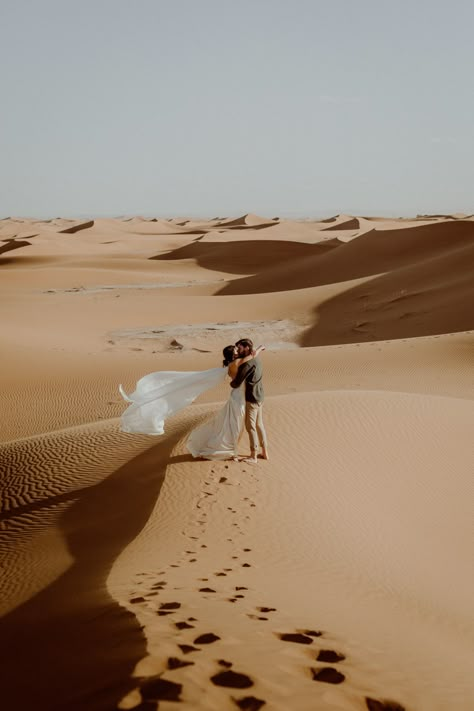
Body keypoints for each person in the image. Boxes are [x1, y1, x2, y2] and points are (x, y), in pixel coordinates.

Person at [186, 343, 265, 460]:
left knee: (235, 424)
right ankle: (231, 450)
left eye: (238, 349)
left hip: (240, 396)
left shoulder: (235, 362)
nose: (237, 350)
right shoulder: (235, 363)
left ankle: (233, 448)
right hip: (239, 398)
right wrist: (259, 349)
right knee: (235, 425)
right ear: (232, 355)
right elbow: (251, 357)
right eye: (235, 350)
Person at [230, 338, 268, 464]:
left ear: (246, 348)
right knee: (259, 424)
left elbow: (236, 384)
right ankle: (265, 452)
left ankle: (253, 455)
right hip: (260, 396)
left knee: (250, 426)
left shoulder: (247, 364)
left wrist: (232, 378)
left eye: (240, 348)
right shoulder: (256, 358)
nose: (238, 351)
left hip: (252, 398)